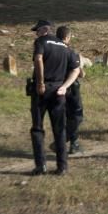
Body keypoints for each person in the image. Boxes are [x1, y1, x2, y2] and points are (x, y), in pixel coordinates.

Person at [29, 20, 80, 175]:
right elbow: (76, 69)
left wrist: (40, 83)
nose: (36, 34)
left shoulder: (41, 41)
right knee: (59, 129)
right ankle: (62, 167)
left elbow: (38, 59)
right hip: (59, 91)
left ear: (43, 30)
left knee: (38, 129)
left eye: (36, 31)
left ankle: (41, 166)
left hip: (42, 90)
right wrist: (65, 86)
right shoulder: (65, 46)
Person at [55, 25, 84, 155]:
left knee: (66, 117)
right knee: (77, 116)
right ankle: (63, 142)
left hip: (55, 87)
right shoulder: (71, 53)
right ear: (67, 37)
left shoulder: (50, 51)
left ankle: (74, 144)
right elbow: (80, 73)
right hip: (71, 88)